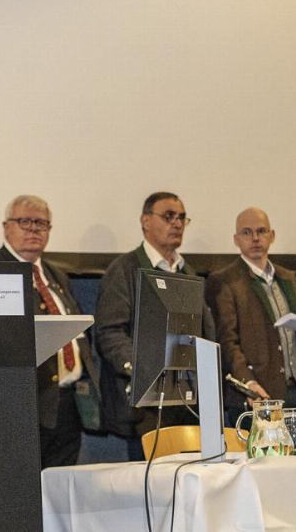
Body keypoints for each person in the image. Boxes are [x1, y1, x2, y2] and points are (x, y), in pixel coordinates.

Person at [0, 195, 98, 468]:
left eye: (41, 223)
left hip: (68, 404)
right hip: (21, 406)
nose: (33, 229)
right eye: (25, 222)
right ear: (6, 227)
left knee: (59, 485)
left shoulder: (56, 274)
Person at [93, 192, 214, 460]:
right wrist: (141, 369)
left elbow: (204, 332)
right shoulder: (124, 269)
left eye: (182, 218)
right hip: (146, 406)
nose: (177, 224)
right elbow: (110, 333)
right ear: (145, 221)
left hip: (188, 402)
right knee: (153, 481)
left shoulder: (188, 272)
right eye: (169, 216)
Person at [204, 207, 296, 423]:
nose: (255, 238)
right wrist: (248, 383)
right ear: (236, 239)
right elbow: (227, 342)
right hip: (261, 394)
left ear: (272, 235)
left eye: (261, 231)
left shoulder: (288, 278)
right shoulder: (224, 281)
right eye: (247, 232)